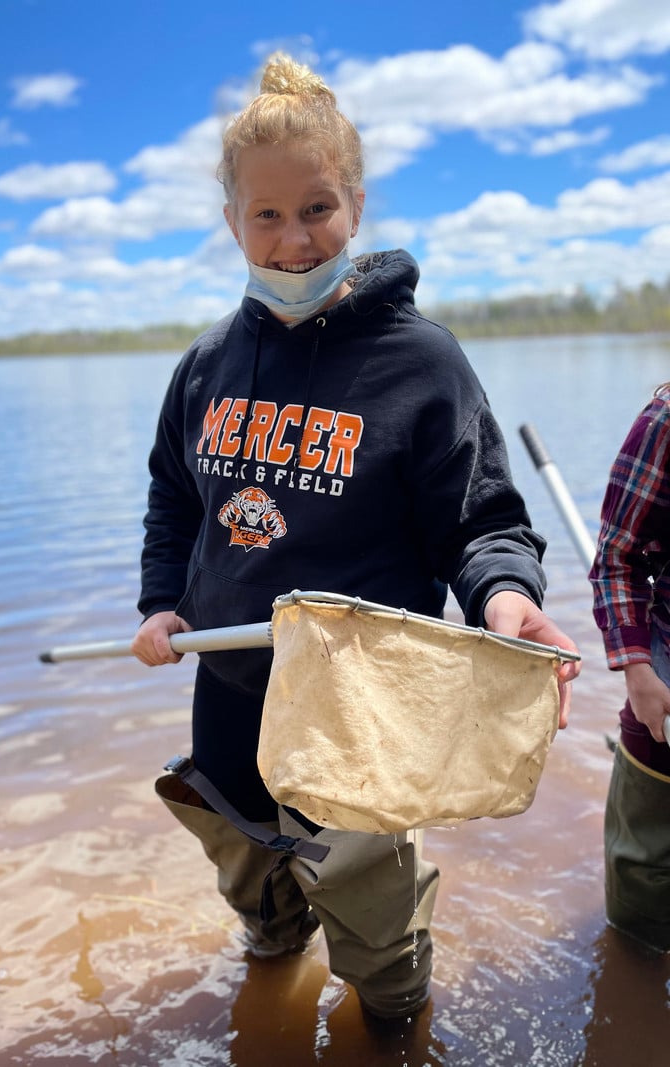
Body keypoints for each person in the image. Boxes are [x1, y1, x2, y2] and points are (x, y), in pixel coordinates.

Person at [132, 52, 580, 1021]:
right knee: (256, 885)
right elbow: (174, 496)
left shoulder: (420, 362)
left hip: (361, 705)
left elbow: (482, 520)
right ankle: (272, 965)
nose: (294, 238)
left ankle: (395, 1021)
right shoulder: (205, 365)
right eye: (267, 214)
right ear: (230, 222)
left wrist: (505, 598)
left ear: (357, 206)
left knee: (375, 930)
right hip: (233, 687)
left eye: (317, 208)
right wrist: (160, 601)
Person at [589, 382, 670, 953]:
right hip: (664, 690)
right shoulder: (668, 420)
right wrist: (638, 673)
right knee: (642, 889)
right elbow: (617, 559)